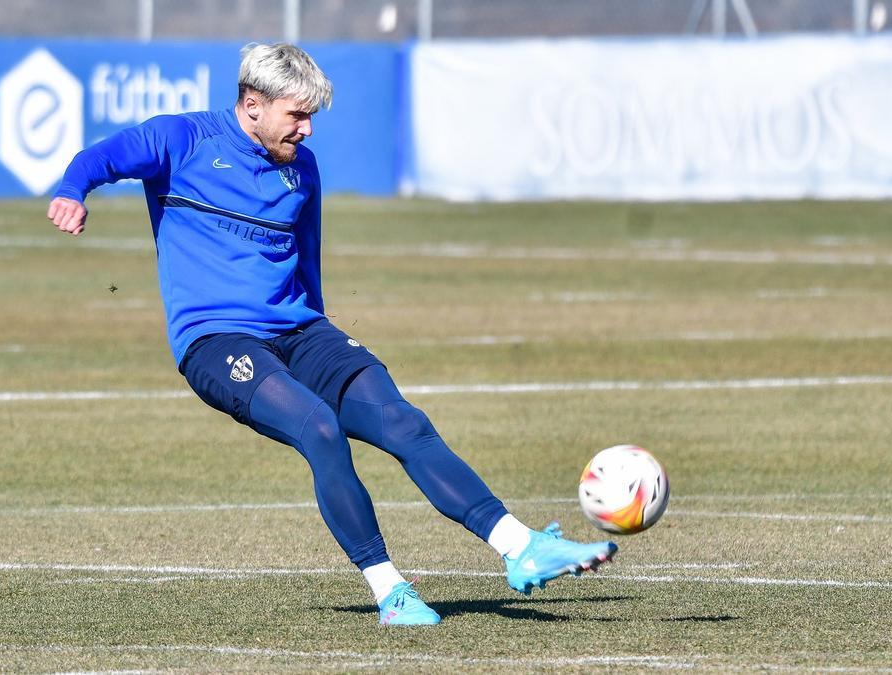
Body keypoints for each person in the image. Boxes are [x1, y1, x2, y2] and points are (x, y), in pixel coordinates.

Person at [47, 43, 616, 625]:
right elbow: (99, 158)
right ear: (252, 105)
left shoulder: (302, 168)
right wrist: (71, 192)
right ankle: (391, 590)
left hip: (302, 330)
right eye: (296, 115)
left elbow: (307, 259)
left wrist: (322, 334)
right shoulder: (181, 139)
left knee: (403, 422)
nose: (307, 129)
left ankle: (520, 547)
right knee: (318, 427)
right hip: (217, 342)